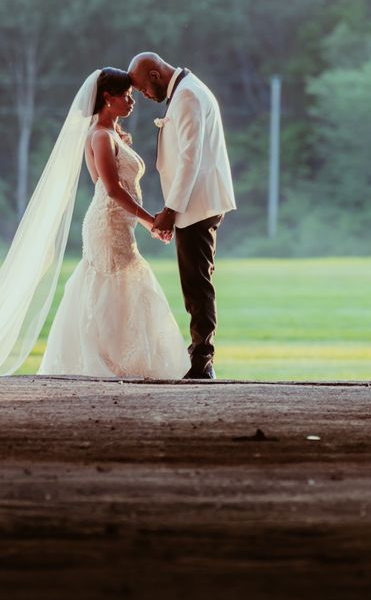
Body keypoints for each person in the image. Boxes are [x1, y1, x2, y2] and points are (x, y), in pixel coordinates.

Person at [35, 69, 188, 380]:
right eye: (126, 96)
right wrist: (150, 222)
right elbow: (111, 188)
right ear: (107, 98)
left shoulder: (114, 135)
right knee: (115, 281)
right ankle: (110, 360)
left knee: (120, 285)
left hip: (119, 222)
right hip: (107, 223)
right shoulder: (101, 136)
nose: (132, 102)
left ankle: (120, 359)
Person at [127, 52, 236, 380]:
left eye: (143, 88)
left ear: (156, 75)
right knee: (196, 279)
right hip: (195, 202)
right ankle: (201, 356)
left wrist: (171, 211)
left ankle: (203, 359)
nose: (144, 96)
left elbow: (191, 158)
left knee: (197, 282)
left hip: (197, 204)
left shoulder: (187, 94)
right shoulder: (188, 88)